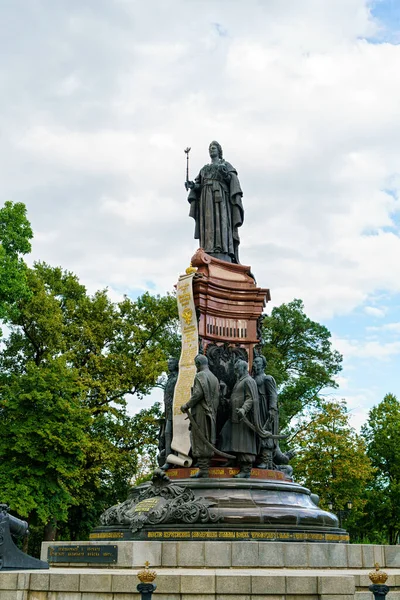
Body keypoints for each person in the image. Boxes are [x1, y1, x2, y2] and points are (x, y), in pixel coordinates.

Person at [186, 141, 244, 264]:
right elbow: (198, 185)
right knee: (208, 223)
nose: (212, 150)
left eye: (214, 148)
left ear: (219, 151)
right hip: (206, 198)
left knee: (221, 221)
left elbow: (232, 181)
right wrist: (193, 185)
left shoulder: (225, 164)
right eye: (210, 148)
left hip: (220, 196)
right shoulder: (204, 169)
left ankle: (222, 249)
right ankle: (207, 249)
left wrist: (225, 175)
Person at [180, 355, 220, 478]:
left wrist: (186, 405)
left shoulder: (200, 375)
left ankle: (203, 469)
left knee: (200, 438)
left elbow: (198, 394)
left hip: (201, 413)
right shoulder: (214, 378)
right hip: (211, 413)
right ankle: (204, 468)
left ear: (197, 363)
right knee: (206, 438)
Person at [219, 359, 259, 478]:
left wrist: (243, 409)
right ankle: (232, 459)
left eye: (237, 369)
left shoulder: (249, 381)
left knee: (244, 442)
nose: (235, 371)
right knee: (225, 435)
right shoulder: (240, 380)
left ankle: (246, 469)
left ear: (243, 368)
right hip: (234, 416)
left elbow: (251, 398)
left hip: (243, 418)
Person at [252, 355, 279, 469]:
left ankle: (266, 461)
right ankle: (257, 458)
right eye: (254, 362)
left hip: (264, 407)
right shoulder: (252, 379)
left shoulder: (267, 378)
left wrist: (272, 409)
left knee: (265, 432)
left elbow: (273, 394)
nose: (254, 364)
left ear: (263, 365)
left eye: (257, 362)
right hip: (256, 408)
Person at [159, 357, 179, 470]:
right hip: (168, 411)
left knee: (171, 434)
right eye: (168, 363)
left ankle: (172, 460)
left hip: (175, 411)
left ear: (176, 365)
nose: (169, 365)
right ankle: (169, 460)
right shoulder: (170, 378)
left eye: (172, 363)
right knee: (167, 434)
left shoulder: (178, 378)